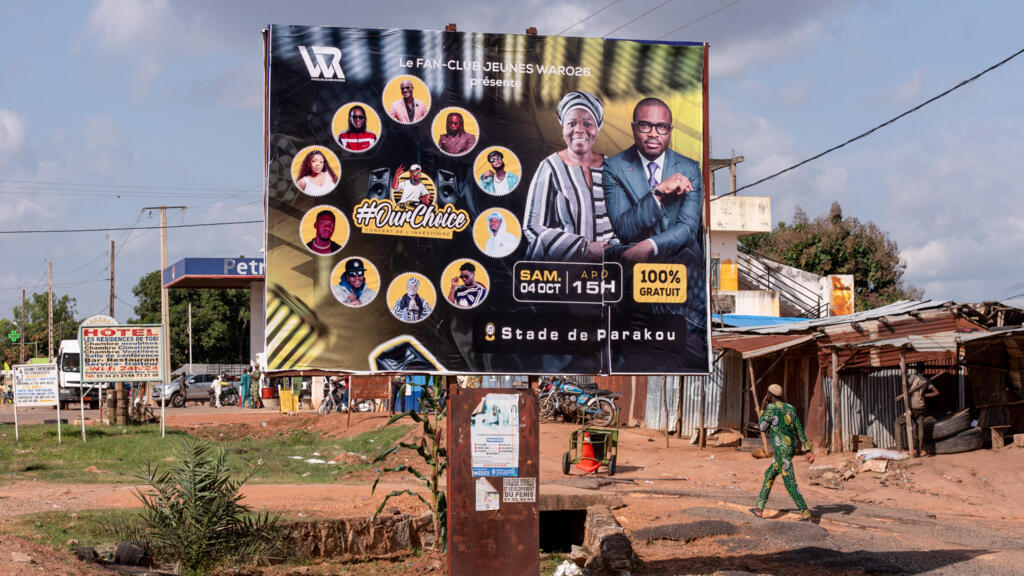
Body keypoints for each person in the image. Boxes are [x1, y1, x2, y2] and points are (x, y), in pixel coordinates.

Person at [604, 97, 703, 263]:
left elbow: (688, 227)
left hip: (680, 262)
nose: (653, 134)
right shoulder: (614, 167)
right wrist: (657, 191)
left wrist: (651, 245)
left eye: (662, 127)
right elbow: (623, 229)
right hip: (634, 263)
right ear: (633, 128)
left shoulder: (690, 168)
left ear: (670, 131)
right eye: (645, 125)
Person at [523, 90, 618, 261]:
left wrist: (611, 251)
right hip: (561, 268)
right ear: (563, 129)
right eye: (572, 123)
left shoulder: (613, 167)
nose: (579, 129)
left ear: (597, 129)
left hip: (609, 266)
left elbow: (625, 223)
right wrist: (584, 248)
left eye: (588, 123)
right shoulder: (550, 167)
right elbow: (532, 227)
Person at [753, 384, 815, 521]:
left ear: (769, 395)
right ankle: (759, 508)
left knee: (790, 483)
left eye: (767, 394)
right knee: (769, 474)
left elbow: (762, 427)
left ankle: (805, 512)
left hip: (781, 451)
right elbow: (799, 429)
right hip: (790, 449)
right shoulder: (791, 408)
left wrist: (762, 406)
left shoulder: (771, 408)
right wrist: (807, 449)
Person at [895, 364, 940, 455]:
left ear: (916, 370)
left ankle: (899, 448)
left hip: (912, 408)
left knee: (897, 422)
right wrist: (925, 395)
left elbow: (905, 384)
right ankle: (919, 450)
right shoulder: (926, 380)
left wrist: (904, 372)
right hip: (921, 408)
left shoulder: (913, 377)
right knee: (920, 428)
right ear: (924, 370)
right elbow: (936, 392)